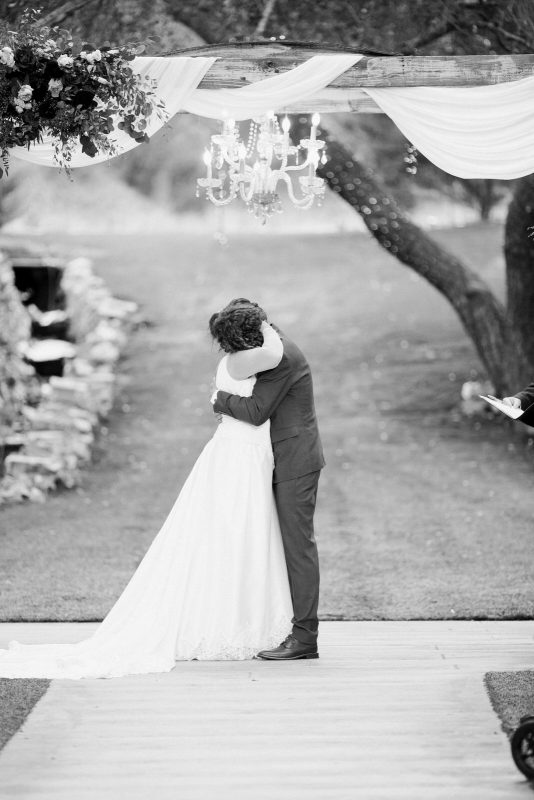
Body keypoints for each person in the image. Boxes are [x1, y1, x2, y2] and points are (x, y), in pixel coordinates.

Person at [0, 304, 293, 679]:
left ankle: (243, 617)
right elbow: (276, 352)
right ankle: (230, 622)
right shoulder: (243, 361)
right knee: (233, 532)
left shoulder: (240, 360)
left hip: (247, 453)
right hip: (239, 457)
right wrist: (266, 323)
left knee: (244, 533)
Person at [213, 299, 325, 661]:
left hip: (295, 462)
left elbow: (257, 411)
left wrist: (219, 399)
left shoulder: (280, 358)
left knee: (297, 548)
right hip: (277, 459)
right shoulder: (270, 345)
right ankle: (282, 626)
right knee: (277, 545)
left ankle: (305, 638)